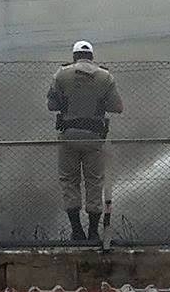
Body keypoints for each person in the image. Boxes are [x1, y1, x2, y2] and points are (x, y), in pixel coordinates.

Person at [47, 40, 123, 241]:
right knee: (94, 182)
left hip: (68, 136)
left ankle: (77, 231)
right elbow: (117, 107)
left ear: (74, 56)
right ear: (91, 56)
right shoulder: (105, 77)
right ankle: (93, 232)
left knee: (69, 181)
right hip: (94, 138)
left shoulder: (61, 75)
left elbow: (51, 105)